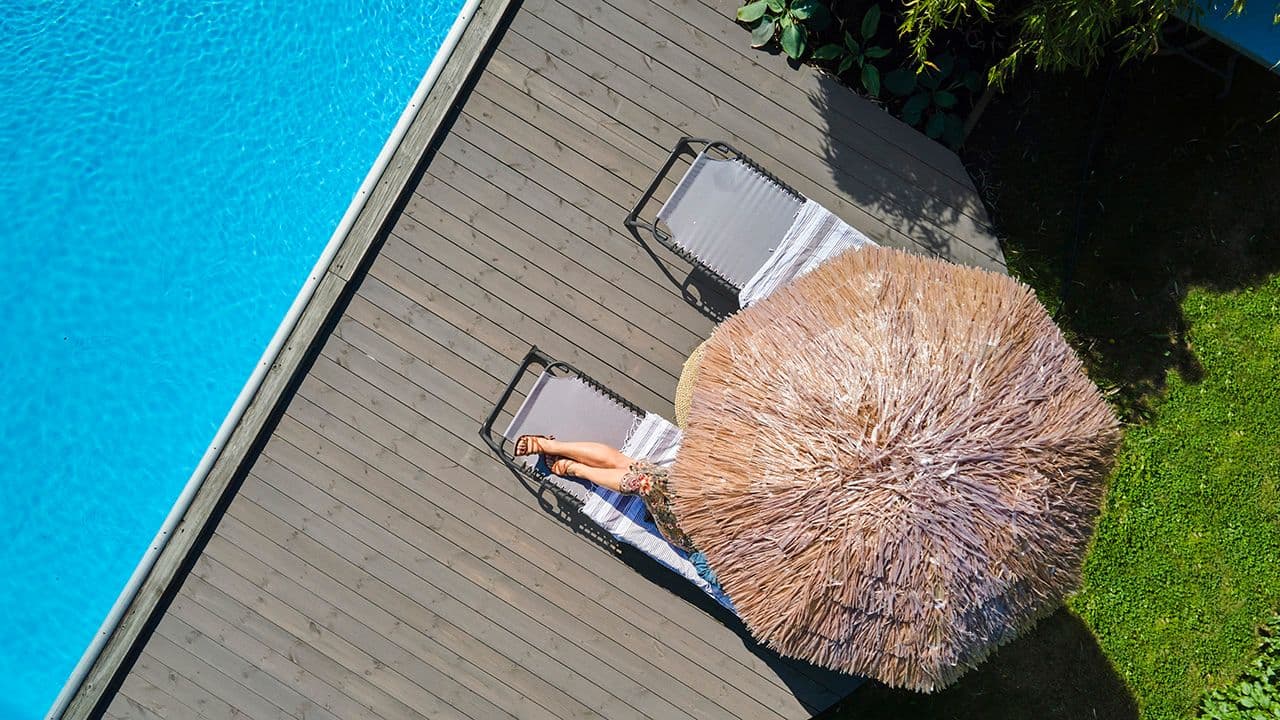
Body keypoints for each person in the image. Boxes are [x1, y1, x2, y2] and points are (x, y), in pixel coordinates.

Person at [514, 434, 696, 552]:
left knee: (644, 483)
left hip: (694, 534)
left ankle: (576, 469)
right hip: (697, 499)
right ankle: (554, 447)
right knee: (636, 467)